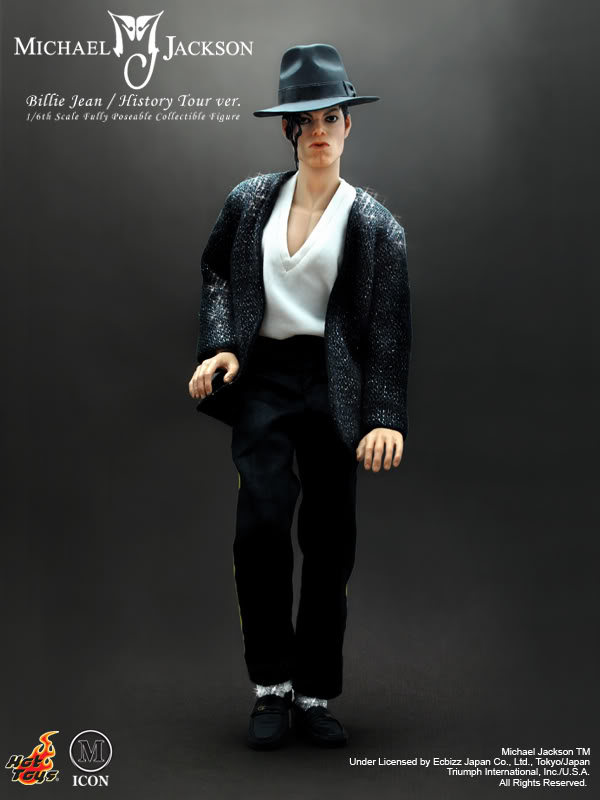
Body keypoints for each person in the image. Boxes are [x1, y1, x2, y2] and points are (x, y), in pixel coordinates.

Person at [188, 43, 412, 749]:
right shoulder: (252, 201)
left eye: (331, 118)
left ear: (349, 125)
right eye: (306, 121)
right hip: (266, 376)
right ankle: (271, 686)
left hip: (336, 382)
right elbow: (218, 273)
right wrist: (221, 346)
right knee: (259, 524)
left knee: (330, 535)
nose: (319, 132)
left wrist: (383, 417)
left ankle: (314, 692)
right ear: (288, 130)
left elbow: (388, 333)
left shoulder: (375, 227)